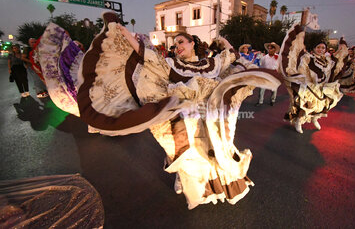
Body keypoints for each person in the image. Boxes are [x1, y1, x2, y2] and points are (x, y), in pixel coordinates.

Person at [36, 12, 281, 209]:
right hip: (180, 117)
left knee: (212, 155)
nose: (177, 47)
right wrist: (123, 33)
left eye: (181, 42)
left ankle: (202, 184)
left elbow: (231, 57)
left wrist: (225, 42)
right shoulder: (172, 64)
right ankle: (188, 187)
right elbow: (146, 56)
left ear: (193, 42)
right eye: (175, 45)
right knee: (185, 156)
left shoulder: (211, 63)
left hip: (209, 118)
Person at [279, 17, 348, 134]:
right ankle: (299, 122)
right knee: (305, 105)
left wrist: (342, 46)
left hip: (322, 86)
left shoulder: (327, 60)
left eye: (323, 48)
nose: (321, 50)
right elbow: (303, 70)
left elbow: (334, 65)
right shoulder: (307, 58)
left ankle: (315, 119)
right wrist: (308, 82)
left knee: (322, 105)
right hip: (309, 86)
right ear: (314, 48)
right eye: (319, 47)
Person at [256, 42, 280, 106]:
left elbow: (280, 66)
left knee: (274, 89)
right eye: (269, 48)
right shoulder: (264, 58)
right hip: (266, 74)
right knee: (262, 88)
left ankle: (272, 100)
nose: (269, 49)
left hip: (274, 75)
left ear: (274, 49)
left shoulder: (278, 57)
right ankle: (260, 102)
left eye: (271, 48)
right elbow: (262, 66)